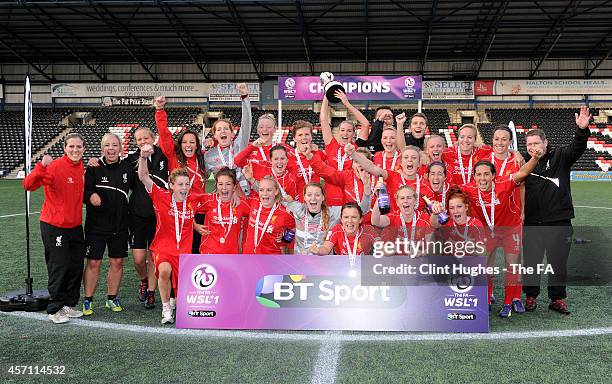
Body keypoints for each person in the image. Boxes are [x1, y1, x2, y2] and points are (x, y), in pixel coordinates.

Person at [521, 106, 592, 315]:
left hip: (559, 222)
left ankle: (557, 299)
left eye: (536, 143)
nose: (533, 147)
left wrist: (581, 130)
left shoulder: (561, 155)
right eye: (529, 144)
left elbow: (577, 147)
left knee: (558, 263)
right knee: (531, 263)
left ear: (545, 143)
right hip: (532, 223)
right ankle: (531, 296)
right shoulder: (524, 163)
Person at [458, 154, 541, 317]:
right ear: (473, 176)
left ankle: (508, 302)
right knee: (485, 264)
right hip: (488, 231)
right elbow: (449, 195)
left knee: (512, 264)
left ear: (493, 175)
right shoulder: (468, 189)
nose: (482, 178)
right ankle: (487, 297)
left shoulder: (504, 183)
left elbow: (523, 172)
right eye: (479, 174)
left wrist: (535, 158)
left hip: (510, 228)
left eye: (486, 174)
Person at [137, 143, 205, 324]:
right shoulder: (161, 196)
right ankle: (166, 308)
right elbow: (143, 176)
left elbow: (220, 196)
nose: (184, 188)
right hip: (163, 248)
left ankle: (175, 301)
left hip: (184, 252)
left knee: (184, 286)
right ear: (172, 185)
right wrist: (143, 157)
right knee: (164, 270)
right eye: (180, 184)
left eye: (187, 184)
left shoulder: (194, 200)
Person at [23, 133, 86, 324]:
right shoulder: (55, 166)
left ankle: (68, 304)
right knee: (60, 266)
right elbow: (28, 185)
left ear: (84, 148)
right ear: (64, 148)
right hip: (54, 225)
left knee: (75, 266)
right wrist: (41, 166)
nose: (75, 150)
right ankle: (55, 308)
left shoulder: (82, 167)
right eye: (71, 147)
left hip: (75, 226)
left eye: (79, 147)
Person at [82, 133, 134, 316]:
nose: (111, 149)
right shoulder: (93, 168)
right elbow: (84, 191)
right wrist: (90, 196)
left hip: (120, 225)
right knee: (94, 262)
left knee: (117, 262)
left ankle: (112, 298)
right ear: (102, 148)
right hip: (96, 226)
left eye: (114, 145)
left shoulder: (128, 168)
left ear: (120, 147)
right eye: (107, 145)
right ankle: (88, 300)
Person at [155, 95, 207, 253]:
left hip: (199, 211)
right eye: (185, 142)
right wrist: (159, 110)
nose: (188, 145)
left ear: (197, 145)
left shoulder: (202, 159)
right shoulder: (173, 156)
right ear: (180, 144)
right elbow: (164, 134)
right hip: (178, 210)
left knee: (196, 249)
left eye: (192, 142)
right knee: (179, 249)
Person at [127, 127, 168, 309]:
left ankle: (151, 292)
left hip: (158, 216)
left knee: (153, 256)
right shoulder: (131, 159)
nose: (143, 142)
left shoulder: (164, 156)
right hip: (136, 215)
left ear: (153, 138)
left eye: (146, 138)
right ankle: (143, 280)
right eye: (139, 139)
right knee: (138, 258)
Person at [347, 144, 433, 212]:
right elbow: (371, 167)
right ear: (401, 163)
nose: (409, 160)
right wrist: (354, 154)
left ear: (418, 164)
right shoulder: (392, 176)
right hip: (392, 227)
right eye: (406, 158)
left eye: (414, 158)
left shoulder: (426, 185)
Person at [319, 90, 369, 206]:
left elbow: (365, 124)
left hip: (351, 193)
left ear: (353, 133)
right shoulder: (331, 145)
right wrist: (327, 94)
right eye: (342, 130)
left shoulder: (356, 147)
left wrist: (346, 104)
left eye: (349, 131)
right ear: (338, 132)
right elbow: (323, 120)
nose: (345, 134)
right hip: (331, 193)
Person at [204, 83, 252, 195]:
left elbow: (246, 123)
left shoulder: (240, 145)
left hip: (242, 195)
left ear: (232, 134)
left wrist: (245, 97)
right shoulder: (208, 155)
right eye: (219, 129)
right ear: (215, 135)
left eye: (226, 129)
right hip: (221, 197)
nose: (223, 131)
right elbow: (209, 180)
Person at [309, 203, 378, 272]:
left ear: (360, 220)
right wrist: (318, 250)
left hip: (364, 269)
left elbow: (382, 248)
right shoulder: (336, 230)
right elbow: (326, 248)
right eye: (346, 217)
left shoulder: (368, 230)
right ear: (341, 219)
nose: (350, 221)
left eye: (354, 217)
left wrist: (386, 249)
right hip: (341, 269)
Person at [195, 167, 250, 254]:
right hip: (209, 251)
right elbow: (186, 207)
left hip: (231, 254)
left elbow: (259, 212)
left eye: (228, 184)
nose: (224, 188)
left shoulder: (241, 203)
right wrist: (195, 225)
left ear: (234, 186)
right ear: (216, 185)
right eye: (220, 184)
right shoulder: (208, 200)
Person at [242, 175, 296, 254]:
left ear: (276, 191)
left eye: (269, 190)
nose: (265, 193)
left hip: (270, 259)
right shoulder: (254, 202)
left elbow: (293, 228)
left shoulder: (284, 212)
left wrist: (284, 239)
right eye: (261, 190)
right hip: (249, 255)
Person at [371, 185, 431, 255]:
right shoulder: (392, 217)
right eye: (402, 198)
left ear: (415, 201)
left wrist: (420, 254)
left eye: (409, 198)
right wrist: (379, 197)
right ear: (397, 203)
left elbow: (432, 246)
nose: (405, 201)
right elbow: (375, 221)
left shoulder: (424, 218)